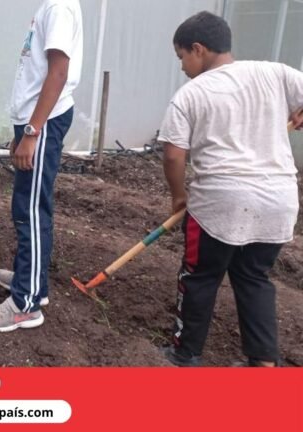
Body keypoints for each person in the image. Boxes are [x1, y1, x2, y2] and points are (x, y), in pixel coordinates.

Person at [157, 11, 303, 367]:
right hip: (278, 199)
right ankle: (263, 363)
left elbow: (173, 155)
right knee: (254, 276)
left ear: (198, 49)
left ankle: (184, 353)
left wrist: (178, 195)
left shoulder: (191, 94)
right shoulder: (275, 73)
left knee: (200, 276)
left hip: (221, 202)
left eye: (182, 58)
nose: (182, 68)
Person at [0, 0, 83, 332]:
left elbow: (58, 72)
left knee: (31, 211)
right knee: (28, 206)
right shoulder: (51, 6)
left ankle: (26, 303)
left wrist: (33, 131)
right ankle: (31, 279)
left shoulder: (59, 8)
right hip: (37, 121)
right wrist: (23, 129)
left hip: (45, 121)